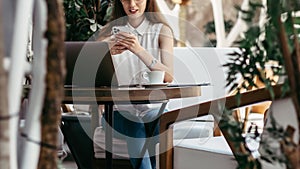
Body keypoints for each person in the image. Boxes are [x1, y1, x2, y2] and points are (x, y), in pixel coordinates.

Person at [96, 0, 174, 168]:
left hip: (155, 109)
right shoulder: (106, 35)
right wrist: (103, 53)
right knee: (135, 124)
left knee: (151, 123)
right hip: (117, 112)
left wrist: (139, 50)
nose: (132, 4)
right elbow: (92, 77)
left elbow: (168, 76)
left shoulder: (162, 31)